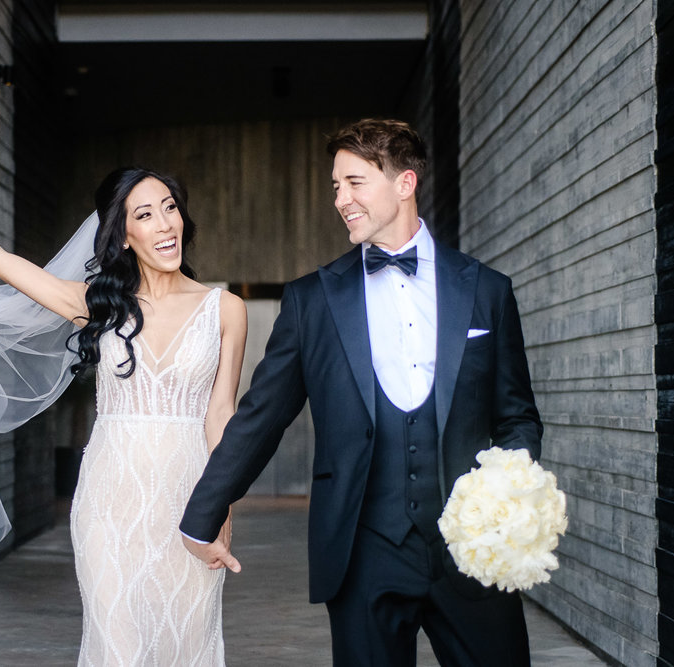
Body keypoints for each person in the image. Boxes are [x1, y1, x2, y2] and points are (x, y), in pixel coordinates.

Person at [180, 119, 543, 666]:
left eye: (354, 182)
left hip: (473, 556)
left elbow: (517, 417)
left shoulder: (487, 290)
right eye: (335, 187)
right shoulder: (312, 301)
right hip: (362, 551)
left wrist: (502, 500)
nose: (340, 200)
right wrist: (202, 514)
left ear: (405, 183)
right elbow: (261, 416)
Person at [0, 167, 247, 666]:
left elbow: (221, 415)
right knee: (118, 648)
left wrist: (221, 509)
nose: (166, 224)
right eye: (145, 214)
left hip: (189, 500)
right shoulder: (98, 307)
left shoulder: (225, 309)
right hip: (109, 502)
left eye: (170, 207)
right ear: (123, 235)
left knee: (186, 642)